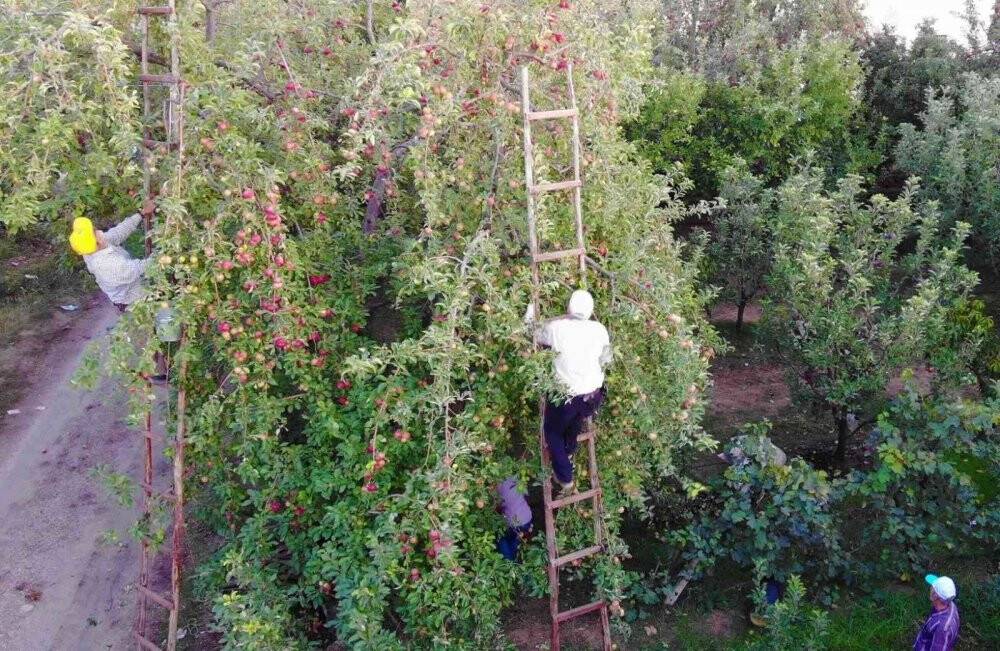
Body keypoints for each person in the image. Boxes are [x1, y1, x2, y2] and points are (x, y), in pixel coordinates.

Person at [525, 290, 612, 495]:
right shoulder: (600, 329)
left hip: (567, 397)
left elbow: (531, 330)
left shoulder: (557, 328)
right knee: (575, 420)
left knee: (553, 431)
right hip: (593, 396)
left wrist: (531, 306)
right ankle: (569, 451)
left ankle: (565, 477)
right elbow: (607, 360)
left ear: (569, 307)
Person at [69, 211, 151, 312]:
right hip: (133, 300)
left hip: (135, 285)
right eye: (95, 231)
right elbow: (137, 268)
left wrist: (140, 214)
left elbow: (117, 233)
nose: (99, 230)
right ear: (97, 242)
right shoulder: (107, 265)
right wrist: (160, 257)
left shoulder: (92, 248)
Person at [913, 574, 960, 651]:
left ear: (935, 596)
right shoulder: (951, 604)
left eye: (932, 587)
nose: (930, 588)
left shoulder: (942, 629)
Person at [495, 477, 533, 561]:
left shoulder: (497, 487)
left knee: (503, 540)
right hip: (527, 517)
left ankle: (509, 563)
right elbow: (524, 493)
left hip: (514, 523)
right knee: (517, 543)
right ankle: (517, 560)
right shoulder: (513, 477)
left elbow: (497, 506)